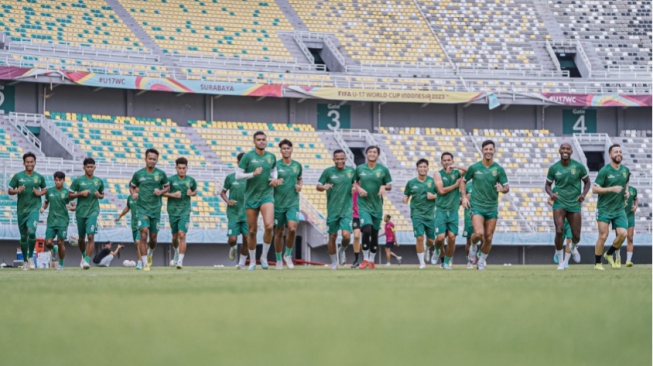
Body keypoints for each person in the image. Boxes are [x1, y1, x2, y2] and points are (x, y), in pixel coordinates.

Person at [236, 131, 282, 270]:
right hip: (250, 197)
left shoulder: (271, 156)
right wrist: (252, 174)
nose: (261, 142)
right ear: (254, 141)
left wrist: (274, 179)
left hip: (267, 195)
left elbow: (274, 170)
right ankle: (252, 261)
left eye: (263, 139)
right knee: (252, 231)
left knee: (269, 226)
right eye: (258, 139)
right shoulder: (248, 156)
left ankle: (264, 257)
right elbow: (238, 175)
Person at [460, 140, 509, 270]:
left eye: (490, 149)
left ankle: (481, 261)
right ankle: (473, 247)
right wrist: (464, 197)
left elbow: (507, 187)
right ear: (482, 150)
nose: (488, 151)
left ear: (494, 151)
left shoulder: (498, 169)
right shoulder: (474, 168)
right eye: (486, 149)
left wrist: (502, 189)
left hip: (492, 208)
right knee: (478, 234)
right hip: (477, 207)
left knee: (488, 237)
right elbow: (463, 181)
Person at [545, 142, 591, 270]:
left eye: (568, 149)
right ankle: (561, 262)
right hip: (559, 203)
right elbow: (547, 185)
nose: (565, 150)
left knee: (576, 236)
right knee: (559, 231)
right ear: (559, 151)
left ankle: (573, 247)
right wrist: (551, 194)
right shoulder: (554, 168)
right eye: (563, 148)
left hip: (574, 203)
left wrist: (583, 194)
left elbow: (587, 182)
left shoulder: (579, 167)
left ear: (571, 152)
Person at [130, 148, 170, 271]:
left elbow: (167, 187)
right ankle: (144, 263)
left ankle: (151, 251)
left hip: (155, 209)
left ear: (157, 160)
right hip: (142, 208)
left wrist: (161, 191)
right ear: (145, 159)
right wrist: (133, 194)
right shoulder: (138, 174)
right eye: (150, 158)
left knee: (153, 238)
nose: (151, 161)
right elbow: (132, 186)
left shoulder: (161, 174)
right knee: (143, 232)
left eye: (154, 159)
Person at [354, 146, 392, 270]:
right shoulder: (359, 168)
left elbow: (389, 185)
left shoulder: (383, 170)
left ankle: (371, 260)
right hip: (364, 205)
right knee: (366, 229)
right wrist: (359, 188)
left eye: (374, 152)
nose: (372, 154)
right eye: (370, 152)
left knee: (375, 233)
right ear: (366, 154)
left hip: (377, 206)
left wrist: (384, 187)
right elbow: (353, 182)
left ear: (378, 155)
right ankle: (365, 259)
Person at [8, 152, 47, 271]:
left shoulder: (39, 177)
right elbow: (9, 190)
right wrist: (17, 190)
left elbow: (45, 189)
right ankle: (25, 261)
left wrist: (39, 193)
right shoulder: (18, 176)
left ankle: (30, 257)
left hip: (34, 209)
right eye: (27, 162)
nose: (29, 163)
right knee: (23, 237)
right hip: (21, 211)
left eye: (31, 161)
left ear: (35, 163)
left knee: (31, 231)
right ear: (24, 163)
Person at [592, 144, 630, 270]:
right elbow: (594, 189)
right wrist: (611, 189)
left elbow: (626, 182)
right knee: (603, 236)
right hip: (604, 209)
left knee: (623, 234)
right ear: (610, 155)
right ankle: (597, 263)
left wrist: (627, 191)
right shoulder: (604, 171)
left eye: (620, 151)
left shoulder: (625, 170)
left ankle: (608, 254)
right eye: (615, 152)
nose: (618, 154)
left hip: (619, 209)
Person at [317, 149, 355, 270]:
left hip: (346, 210)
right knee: (332, 236)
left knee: (346, 236)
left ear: (345, 159)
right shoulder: (327, 172)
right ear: (333, 160)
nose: (339, 161)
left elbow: (356, 184)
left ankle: (342, 250)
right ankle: (334, 263)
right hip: (332, 210)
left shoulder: (351, 171)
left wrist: (354, 187)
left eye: (342, 158)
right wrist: (323, 187)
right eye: (337, 159)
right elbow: (318, 186)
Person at [69, 157, 105, 270]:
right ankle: (84, 255)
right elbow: (69, 195)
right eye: (88, 167)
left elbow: (102, 195)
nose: (90, 169)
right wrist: (80, 193)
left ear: (95, 167)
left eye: (91, 167)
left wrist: (99, 195)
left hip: (93, 212)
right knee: (81, 239)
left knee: (90, 236)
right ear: (84, 167)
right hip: (80, 212)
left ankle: (87, 261)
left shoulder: (99, 181)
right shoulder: (78, 181)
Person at [273, 139, 303, 270]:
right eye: (283, 148)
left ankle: (288, 255)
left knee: (292, 228)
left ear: (291, 149)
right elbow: (269, 180)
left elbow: (300, 178)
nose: (286, 150)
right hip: (278, 203)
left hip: (293, 203)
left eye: (288, 148)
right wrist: (274, 182)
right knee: (279, 231)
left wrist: (299, 186)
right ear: (280, 150)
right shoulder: (275, 166)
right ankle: (279, 259)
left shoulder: (297, 165)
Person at [434, 153, 466, 270]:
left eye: (449, 160)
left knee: (452, 238)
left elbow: (470, 170)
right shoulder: (438, 174)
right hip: (441, 210)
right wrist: (455, 185)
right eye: (444, 160)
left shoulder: (457, 173)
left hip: (453, 210)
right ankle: (437, 250)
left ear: (452, 161)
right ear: (441, 162)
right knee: (440, 238)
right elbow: (441, 191)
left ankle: (446, 262)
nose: (447, 162)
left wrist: (456, 166)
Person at [164, 157, 197, 269]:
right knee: (174, 237)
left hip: (185, 211)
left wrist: (191, 193)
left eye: (184, 168)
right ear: (176, 168)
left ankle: (180, 262)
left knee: (182, 235)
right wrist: (173, 195)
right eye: (179, 168)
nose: (182, 170)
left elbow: (195, 191)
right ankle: (176, 252)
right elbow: (162, 193)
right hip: (173, 211)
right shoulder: (171, 180)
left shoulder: (191, 180)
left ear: (187, 168)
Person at [403, 158, 436, 269]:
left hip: (430, 215)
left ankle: (427, 248)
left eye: (424, 166)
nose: (422, 168)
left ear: (427, 168)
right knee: (419, 237)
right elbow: (406, 194)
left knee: (431, 240)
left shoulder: (433, 181)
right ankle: (422, 263)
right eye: (420, 167)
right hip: (417, 214)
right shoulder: (411, 183)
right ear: (417, 169)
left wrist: (434, 196)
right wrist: (405, 198)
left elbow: (441, 195)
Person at [40, 171, 76, 270]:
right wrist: (43, 208)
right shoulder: (49, 191)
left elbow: (74, 206)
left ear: (63, 180)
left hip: (63, 221)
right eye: (56, 180)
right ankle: (53, 248)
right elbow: (46, 202)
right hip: (51, 221)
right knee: (47, 243)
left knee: (60, 242)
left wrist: (70, 208)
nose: (58, 182)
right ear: (54, 180)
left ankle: (61, 263)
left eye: (60, 180)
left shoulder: (67, 193)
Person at [220, 153, 249, 269]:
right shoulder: (231, 177)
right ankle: (233, 247)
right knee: (233, 239)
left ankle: (241, 263)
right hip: (233, 213)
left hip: (247, 213)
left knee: (247, 239)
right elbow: (222, 192)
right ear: (238, 163)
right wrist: (228, 201)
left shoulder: (252, 178)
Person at [547, 191, 581, 268]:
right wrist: (558, 208)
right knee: (559, 239)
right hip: (560, 221)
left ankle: (565, 262)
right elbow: (549, 200)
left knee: (569, 240)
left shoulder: (573, 191)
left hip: (569, 222)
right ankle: (558, 252)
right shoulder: (559, 190)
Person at [115, 186, 142, 270]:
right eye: (131, 188)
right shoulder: (129, 198)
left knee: (138, 242)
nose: (133, 190)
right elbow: (127, 208)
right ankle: (142, 259)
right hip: (133, 224)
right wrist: (119, 216)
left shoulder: (143, 196)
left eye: (135, 188)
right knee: (137, 244)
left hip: (142, 222)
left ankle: (140, 262)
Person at [619, 186, 637, 267]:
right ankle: (617, 259)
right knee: (619, 238)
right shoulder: (618, 189)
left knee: (630, 238)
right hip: (620, 216)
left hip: (630, 217)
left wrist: (635, 206)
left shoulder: (633, 190)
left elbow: (635, 199)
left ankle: (628, 261)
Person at [463, 184, 476, 269]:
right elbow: (460, 201)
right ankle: (468, 261)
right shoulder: (467, 185)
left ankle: (481, 259)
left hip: (481, 212)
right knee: (469, 240)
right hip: (469, 214)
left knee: (483, 238)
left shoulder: (484, 183)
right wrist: (465, 199)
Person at [349, 190, 362, 268]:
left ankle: (366, 259)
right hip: (355, 216)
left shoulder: (365, 185)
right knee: (356, 236)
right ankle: (356, 259)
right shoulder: (352, 187)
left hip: (365, 214)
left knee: (366, 237)